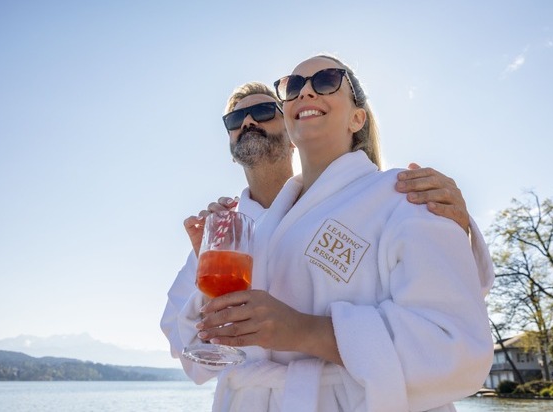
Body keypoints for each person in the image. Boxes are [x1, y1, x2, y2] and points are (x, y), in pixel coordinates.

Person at [166, 55, 494, 411]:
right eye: (294, 86)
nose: (306, 91)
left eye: (325, 80)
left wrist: (307, 331)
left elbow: (455, 345)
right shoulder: (234, 229)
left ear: (358, 118)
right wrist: (207, 274)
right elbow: (191, 351)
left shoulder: (405, 194)